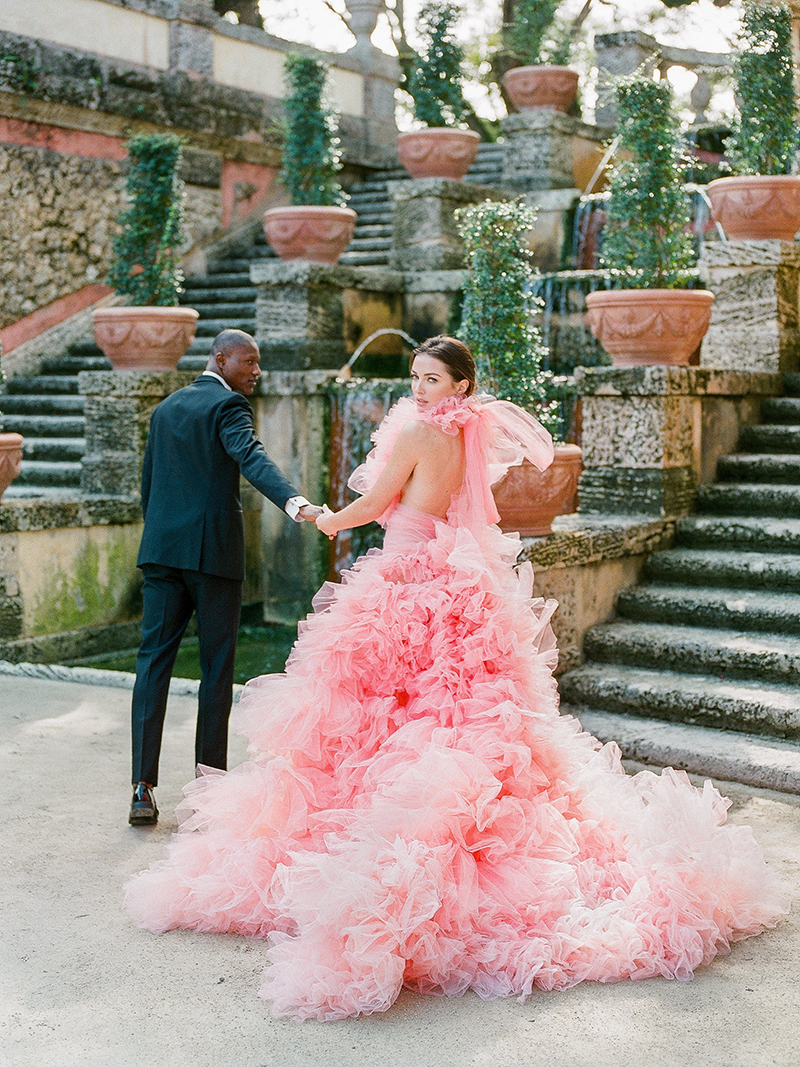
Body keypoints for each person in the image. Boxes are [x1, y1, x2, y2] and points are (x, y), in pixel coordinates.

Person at [125, 335, 788, 1020]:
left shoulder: (414, 431)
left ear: (461, 385)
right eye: (415, 376)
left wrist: (324, 517)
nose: (418, 388)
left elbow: (374, 504)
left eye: (432, 378)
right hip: (447, 575)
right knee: (440, 710)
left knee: (374, 712)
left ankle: (350, 831)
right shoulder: (465, 434)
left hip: (401, 579)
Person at [128, 329, 321, 826]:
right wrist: (293, 501)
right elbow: (250, 456)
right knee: (216, 670)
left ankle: (141, 789)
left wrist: (160, 541)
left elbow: (149, 486)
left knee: (152, 664)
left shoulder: (167, 408)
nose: (257, 371)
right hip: (212, 556)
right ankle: (207, 789)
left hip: (162, 555)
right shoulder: (228, 407)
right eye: (249, 362)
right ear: (221, 359)